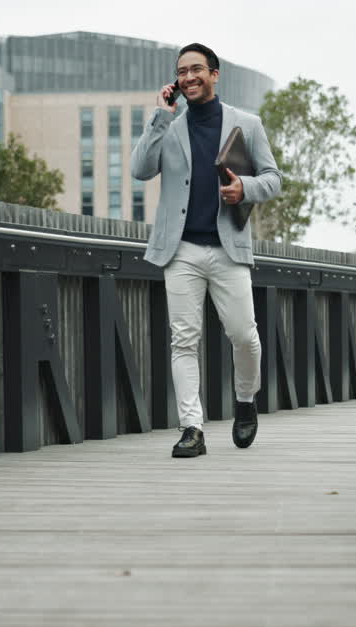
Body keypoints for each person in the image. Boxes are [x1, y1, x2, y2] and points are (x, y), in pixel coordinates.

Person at [131, 42, 282, 458]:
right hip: (179, 250)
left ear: (215, 74)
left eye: (197, 69)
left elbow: (273, 179)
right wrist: (162, 115)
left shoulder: (246, 124)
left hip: (228, 248)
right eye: (182, 72)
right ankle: (191, 429)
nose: (189, 77)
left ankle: (246, 401)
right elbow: (140, 170)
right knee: (184, 341)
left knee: (244, 337)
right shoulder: (169, 126)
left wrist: (244, 188)